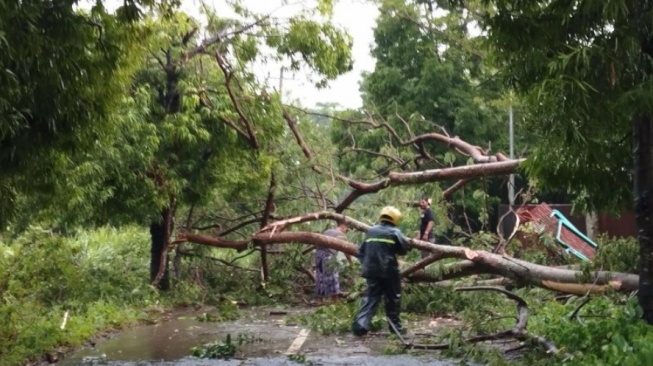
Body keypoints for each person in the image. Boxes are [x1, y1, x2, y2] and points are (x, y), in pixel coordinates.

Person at [352, 206, 410, 336]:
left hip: (371, 271)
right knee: (393, 298)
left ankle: (360, 326)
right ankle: (395, 329)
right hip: (389, 271)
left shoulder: (371, 231)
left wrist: (366, 264)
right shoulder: (395, 232)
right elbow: (403, 249)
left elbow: (361, 251)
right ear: (395, 219)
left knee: (371, 297)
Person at [315, 220, 350, 305]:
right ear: (343, 227)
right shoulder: (341, 235)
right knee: (333, 278)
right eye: (346, 229)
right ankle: (334, 300)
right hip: (328, 256)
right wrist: (350, 261)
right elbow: (347, 250)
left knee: (320, 277)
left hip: (318, 255)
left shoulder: (327, 231)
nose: (346, 231)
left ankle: (319, 300)